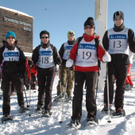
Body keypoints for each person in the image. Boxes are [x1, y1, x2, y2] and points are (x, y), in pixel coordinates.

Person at [66, 17, 111, 128]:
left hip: (92, 70)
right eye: (86, 27)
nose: (88, 29)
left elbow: (101, 53)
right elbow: (73, 53)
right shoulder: (79, 40)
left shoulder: (96, 41)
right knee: (77, 94)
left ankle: (91, 116)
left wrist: (105, 57)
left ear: (93, 28)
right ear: (84, 28)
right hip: (79, 70)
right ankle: (75, 118)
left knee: (90, 94)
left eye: (90, 27)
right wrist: (71, 60)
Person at [102, 11, 135, 116]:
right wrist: (103, 54)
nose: (117, 21)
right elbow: (104, 47)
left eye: (119, 19)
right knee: (109, 82)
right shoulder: (108, 32)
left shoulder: (128, 31)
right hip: (111, 60)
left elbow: (133, 46)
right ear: (113, 20)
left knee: (120, 85)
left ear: (122, 19)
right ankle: (107, 104)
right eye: (115, 19)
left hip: (123, 60)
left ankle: (119, 107)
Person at [32, 30, 61, 116]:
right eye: (43, 37)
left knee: (48, 88)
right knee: (41, 87)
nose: (45, 39)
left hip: (50, 70)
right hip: (41, 69)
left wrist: (58, 60)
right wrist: (32, 63)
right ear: (40, 38)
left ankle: (47, 108)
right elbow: (34, 59)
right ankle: (40, 104)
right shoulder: (37, 49)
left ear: (49, 38)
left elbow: (57, 57)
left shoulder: (52, 47)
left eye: (46, 37)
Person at [0, 31, 26, 122]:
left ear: (14, 39)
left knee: (20, 90)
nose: (10, 40)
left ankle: (22, 105)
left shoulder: (18, 49)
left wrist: (22, 72)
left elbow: (23, 61)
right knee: (6, 93)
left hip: (17, 74)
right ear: (6, 39)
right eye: (9, 38)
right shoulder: (2, 49)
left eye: (12, 38)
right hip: (6, 74)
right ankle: (6, 114)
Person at [55, 31, 75, 102]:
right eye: (69, 36)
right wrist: (60, 61)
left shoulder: (76, 44)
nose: (70, 37)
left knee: (70, 80)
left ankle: (69, 94)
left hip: (72, 65)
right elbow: (60, 54)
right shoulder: (64, 44)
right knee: (62, 79)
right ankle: (60, 93)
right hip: (64, 64)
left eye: (72, 36)